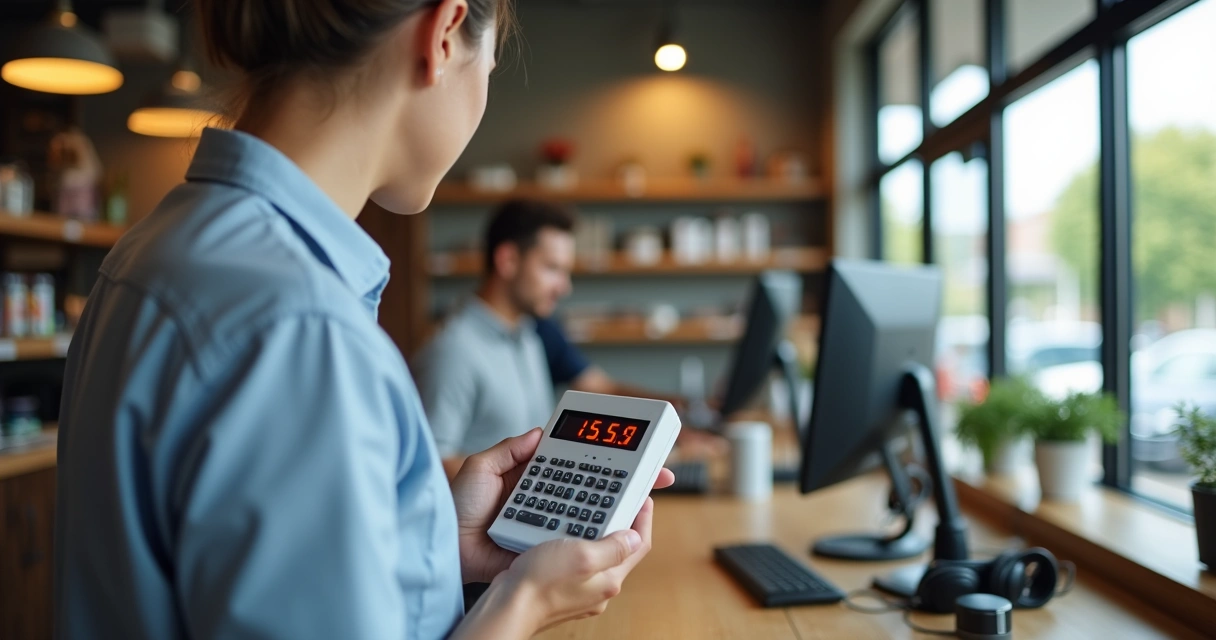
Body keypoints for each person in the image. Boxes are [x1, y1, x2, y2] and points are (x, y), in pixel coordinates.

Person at [54, 2, 672, 638]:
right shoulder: (303, 329)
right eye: (487, 68)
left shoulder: (150, 249)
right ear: (444, 34)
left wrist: (435, 545)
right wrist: (524, 605)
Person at [414, 199, 725, 478]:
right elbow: (430, 466)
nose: (564, 288)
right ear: (507, 260)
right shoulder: (452, 351)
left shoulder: (528, 335)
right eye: (552, 269)